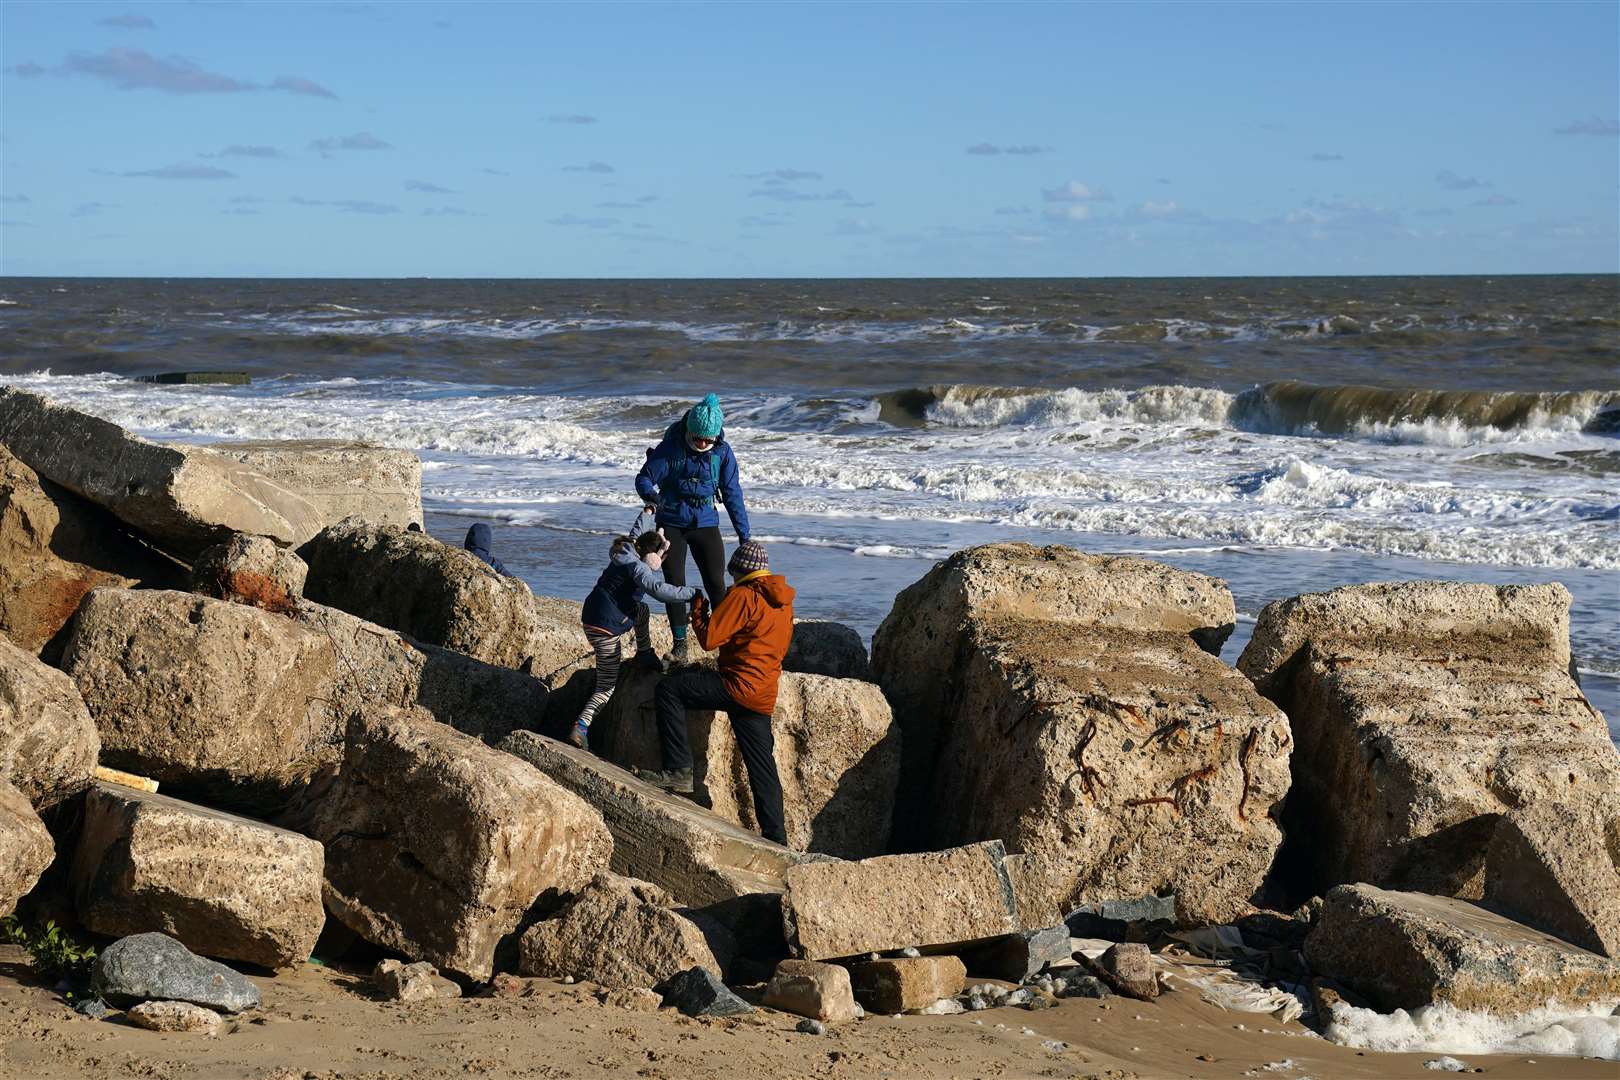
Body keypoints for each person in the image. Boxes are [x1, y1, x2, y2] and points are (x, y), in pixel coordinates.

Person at [640, 540, 791, 847]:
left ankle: (679, 770)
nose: (731, 578)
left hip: (737, 686)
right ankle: (776, 838)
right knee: (761, 766)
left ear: (740, 571)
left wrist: (699, 611)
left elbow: (710, 639)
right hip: (763, 692)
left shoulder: (744, 595)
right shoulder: (784, 602)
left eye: (733, 573)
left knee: (670, 690)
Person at [635, 393, 750, 666]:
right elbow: (644, 478)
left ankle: (727, 645)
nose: (701, 443)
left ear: (716, 438)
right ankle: (680, 645)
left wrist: (745, 536)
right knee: (674, 584)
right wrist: (653, 498)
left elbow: (733, 495)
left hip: (706, 522)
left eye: (707, 440)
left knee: (716, 583)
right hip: (671, 522)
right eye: (697, 437)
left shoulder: (722, 453)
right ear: (689, 430)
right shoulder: (672, 448)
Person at [570, 513, 700, 749]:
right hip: (606, 628)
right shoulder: (639, 569)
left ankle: (644, 652)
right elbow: (659, 590)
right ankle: (581, 726)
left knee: (641, 610)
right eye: (663, 556)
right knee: (606, 686)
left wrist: (648, 512)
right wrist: (693, 593)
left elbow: (638, 530)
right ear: (653, 557)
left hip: (591, 615)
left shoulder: (627, 550)